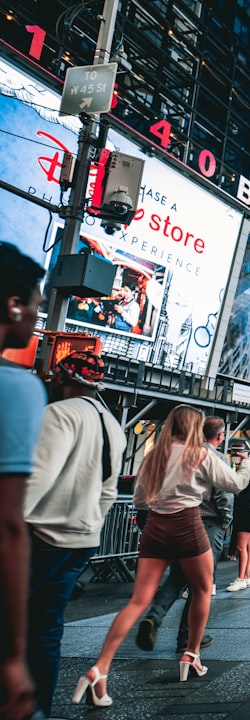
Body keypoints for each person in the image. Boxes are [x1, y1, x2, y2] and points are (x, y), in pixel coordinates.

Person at [74, 405, 249, 707]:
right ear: (195, 427)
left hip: (155, 525)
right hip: (187, 524)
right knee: (202, 588)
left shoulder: (154, 455)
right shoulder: (201, 454)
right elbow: (235, 484)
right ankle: (191, 655)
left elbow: (140, 499)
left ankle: (100, 668)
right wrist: (246, 465)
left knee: (138, 600)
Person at [23, 349, 124, 716]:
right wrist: (89, 524)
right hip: (81, 541)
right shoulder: (113, 425)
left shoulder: (60, 414)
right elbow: (109, 491)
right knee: (47, 631)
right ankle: (39, 709)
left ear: (64, 379)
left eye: (54, 376)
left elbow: (36, 478)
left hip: (40, 538)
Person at [137, 416, 243, 653]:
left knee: (177, 576)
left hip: (180, 522)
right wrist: (225, 523)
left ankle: (155, 615)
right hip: (207, 524)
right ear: (219, 436)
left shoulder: (180, 453)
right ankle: (187, 638)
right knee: (201, 584)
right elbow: (226, 493)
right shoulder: (214, 457)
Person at [0, 242, 46, 720]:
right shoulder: (15, 387)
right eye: (36, 305)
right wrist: (13, 655)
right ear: (13, 305)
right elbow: (7, 526)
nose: (37, 317)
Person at [227, 465, 250, 591]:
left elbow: (245, 502)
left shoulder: (246, 487)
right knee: (248, 547)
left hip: (245, 517)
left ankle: (241, 578)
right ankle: (246, 576)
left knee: (241, 547)